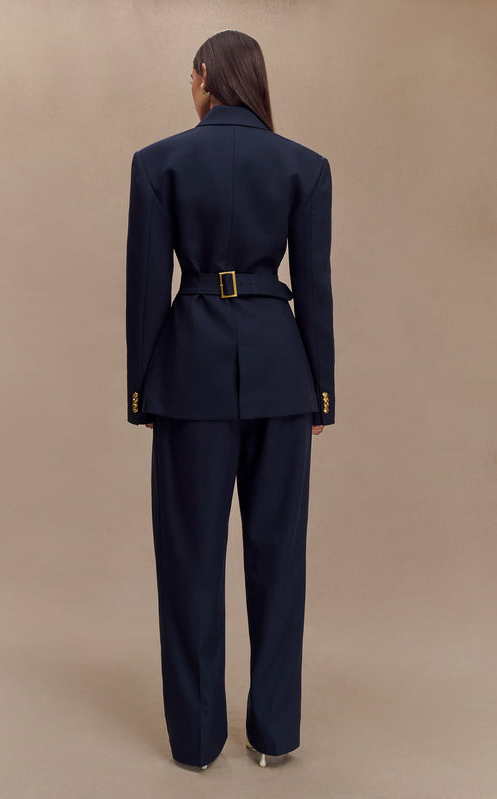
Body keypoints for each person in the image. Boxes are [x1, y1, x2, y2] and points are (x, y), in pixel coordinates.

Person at [125, 29, 335, 770]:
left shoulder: (158, 163)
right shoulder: (304, 165)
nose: (190, 87)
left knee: (190, 560)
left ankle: (196, 741)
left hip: (190, 377)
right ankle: (272, 735)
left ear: (206, 76)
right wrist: (320, 393)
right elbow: (315, 290)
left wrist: (143, 390)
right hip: (282, 373)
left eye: (191, 76)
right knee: (278, 559)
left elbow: (146, 289)